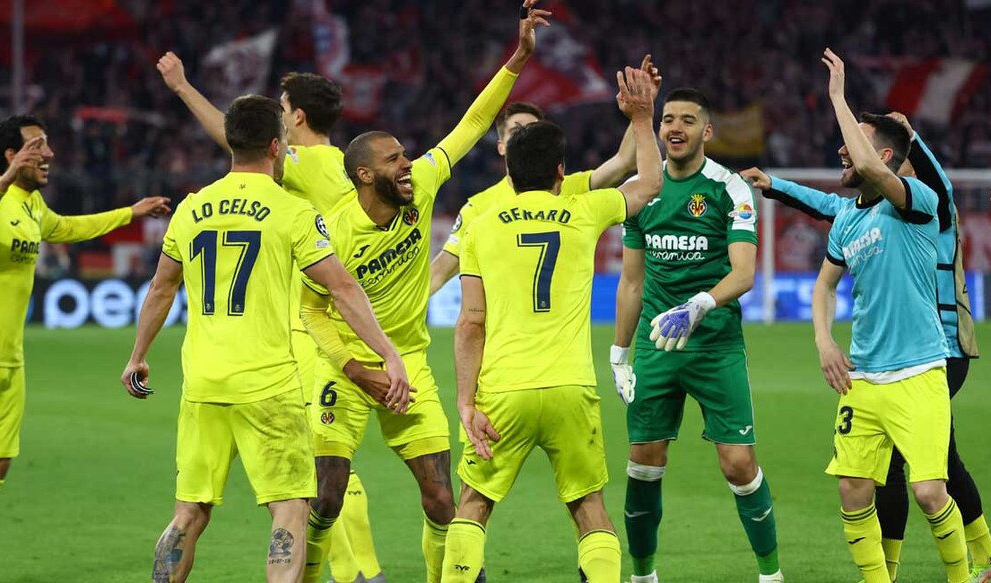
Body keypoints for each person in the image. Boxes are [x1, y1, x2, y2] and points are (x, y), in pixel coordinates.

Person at [297, 4, 549, 581]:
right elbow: (310, 308)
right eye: (394, 160)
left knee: (441, 498)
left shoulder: (424, 185)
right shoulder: (333, 229)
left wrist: (517, 60)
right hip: (345, 369)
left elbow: (469, 126)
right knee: (326, 497)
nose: (409, 165)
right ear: (365, 175)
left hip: (410, 362)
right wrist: (358, 370)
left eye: (407, 155)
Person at [119, 95, 408, 583]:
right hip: (268, 385)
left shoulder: (192, 208)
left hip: (204, 384)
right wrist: (388, 352)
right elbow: (341, 287)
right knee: (289, 512)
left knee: (188, 513)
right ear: (275, 145)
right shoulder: (291, 211)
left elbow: (162, 286)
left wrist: (137, 356)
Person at [741, 112, 991, 583]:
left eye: (860, 145)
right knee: (926, 462)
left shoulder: (931, 203)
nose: (846, 150)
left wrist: (910, 134)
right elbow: (834, 207)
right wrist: (775, 185)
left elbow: (894, 171)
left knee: (922, 471)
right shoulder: (861, 214)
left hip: (940, 348)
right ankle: (979, 559)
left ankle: (961, 562)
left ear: (887, 156)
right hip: (880, 361)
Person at [0, 115, 170, 583]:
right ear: (12, 156)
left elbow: (68, 228)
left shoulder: (32, 207)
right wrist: (5, 180)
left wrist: (129, 212)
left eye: (47, 145)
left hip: (11, 357)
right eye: (37, 147)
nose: (48, 154)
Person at [444, 60, 663, 582]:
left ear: (508, 167)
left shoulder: (479, 224)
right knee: (589, 509)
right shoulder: (584, 210)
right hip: (570, 386)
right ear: (562, 172)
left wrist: (466, 402)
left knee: (473, 504)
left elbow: (471, 322)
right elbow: (649, 182)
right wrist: (641, 118)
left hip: (504, 390)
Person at [812, 48, 970, 583]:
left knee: (929, 491)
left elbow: (877, 170)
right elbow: (823, 288)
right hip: (865, 377)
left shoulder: (916, 200)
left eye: (853, 140)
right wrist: (824, 341)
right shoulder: (846, 224)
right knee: (852, 490)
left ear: (879, 151)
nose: (841, 149)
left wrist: (838, 96)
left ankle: (965, 576)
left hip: (921, 369)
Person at [612, 87, 782, 583]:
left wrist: (701, 304)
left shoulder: (730, 189)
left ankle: (771, 576)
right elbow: (631, 281)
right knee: (643, 463)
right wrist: (620, 353)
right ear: (659, 129)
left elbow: (745, 273)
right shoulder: (642, 191)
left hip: (715, 345)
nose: (676, 128)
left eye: (688, 120)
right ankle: (643, 576)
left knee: (737, 464)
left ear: (707, 131)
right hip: (655, 345)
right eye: (668, 120)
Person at [429, 51, 651, 296]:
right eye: (517, 131)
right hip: (504, 329)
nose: (525, 136)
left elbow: (623, 162)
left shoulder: (566, 186)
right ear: (501, 145)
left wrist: (641, 112)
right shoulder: (478, 208)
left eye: (532, 130)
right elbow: (439, 274)